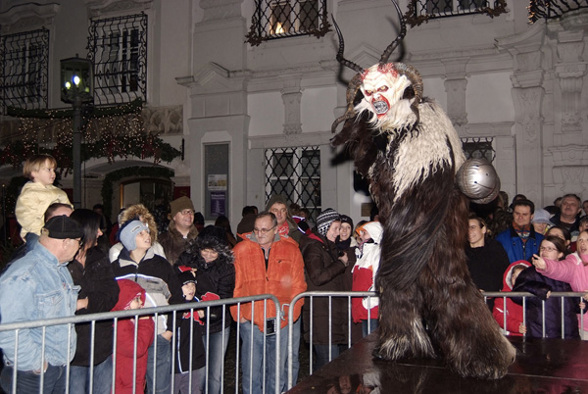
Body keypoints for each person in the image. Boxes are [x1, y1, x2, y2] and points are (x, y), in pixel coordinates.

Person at [0, 216, 83, 393]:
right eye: (79, 243)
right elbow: (8, 329)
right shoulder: (25, 274)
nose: (79, 249)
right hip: (32, 373)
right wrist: (37, 364)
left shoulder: (60, 270)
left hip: (57, 365)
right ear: (66, 242)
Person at [230, 212, 306, 394]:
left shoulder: (291, 250)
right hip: (251, 320)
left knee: (277, 371)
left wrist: (290, 314)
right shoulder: (240, 250)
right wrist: (239, 316)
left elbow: (299, 285)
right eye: (256, 229)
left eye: (265, 229)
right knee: (251, 372)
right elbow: (235, 286)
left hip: (280, 320)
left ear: (276, 229)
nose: (260, 234)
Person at [112, 219, 184, 394]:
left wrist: (169, 331)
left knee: (160, 387)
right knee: (130, 385)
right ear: (129, 239)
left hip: (157, 334)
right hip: (126, 338)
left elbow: (177, 297)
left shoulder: (161, 265)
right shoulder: (116, 269)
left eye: (147, 232)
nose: (147, 235)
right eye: (141, 233)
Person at [175, 225, 235, 394]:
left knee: (214, 373)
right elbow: (175, 278)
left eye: (213, 252)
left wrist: (210, 313)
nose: (208, 256)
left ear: (221, 252)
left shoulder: (226, 268)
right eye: (205, 250)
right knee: (198, 372)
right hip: (194, 325)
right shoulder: (188, 259)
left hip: (218, 324)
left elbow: (225, 297)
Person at [68, 209, 120, 394]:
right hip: (73, 351)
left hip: (101, 345)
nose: (100, 232)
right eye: (97, 228)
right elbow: (62, 303)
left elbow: (112, 294)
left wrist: (84, 303)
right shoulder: (63, 262)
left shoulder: (99, 257)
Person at [300, 208, 351, 370]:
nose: (338, 232)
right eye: (335, 228)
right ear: (324, 228)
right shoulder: (313, 248)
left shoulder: (327, 247)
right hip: (321, 315)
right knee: (329, 366)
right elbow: (318, 277)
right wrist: (340, 264)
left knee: (327, 366)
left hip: (330, 315)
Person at [512, 236, 579, 339]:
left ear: (560, 254)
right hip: (541, 331)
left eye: (549, 249)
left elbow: (575, 295)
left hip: (568, 330)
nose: (544, 251)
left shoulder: (566, 272)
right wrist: (537, 289)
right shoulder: (531, 272)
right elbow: (516, 293)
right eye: (542, 248)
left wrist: (580, 303)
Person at [532, 229, 588, 339]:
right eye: (580, 239)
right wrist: (546, 266)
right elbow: (561, 268)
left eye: (587, 240)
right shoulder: (574, 261)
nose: (582, 243)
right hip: (584, 326)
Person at [14, 154, 72, 245]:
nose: (53, 173)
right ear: (34, 173)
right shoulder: (30, 194)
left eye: (54, 170)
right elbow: (26, 217)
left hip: (59, 231)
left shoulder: (59, 193)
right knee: (37, 248)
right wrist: (42, 232)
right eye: (49, 170)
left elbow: (69, 209)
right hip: (36, 232)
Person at [112, 279, 154, 394]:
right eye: (136, 299)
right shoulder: (120, 323)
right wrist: (145, 323)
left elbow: (147, 342)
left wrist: (145, 322)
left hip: (135, 378)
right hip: (123, 382)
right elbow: (137, 349)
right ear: (125, 300)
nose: (141, 303)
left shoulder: (132, 320)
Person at [465, 215, 510, 309]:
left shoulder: (496, 250)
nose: (469, 231)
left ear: (483, 229)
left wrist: (489, 291)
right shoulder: (461, 252)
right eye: (466, 228)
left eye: (473, 227)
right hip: (466, 303)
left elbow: (503, 273)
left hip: (490, 303)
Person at [173, 269, 205, 394]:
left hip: (192, 358)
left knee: (193, 389)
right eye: (186, 285)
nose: (191, 288)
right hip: (175, 360)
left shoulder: (197, 303)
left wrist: (203, 313)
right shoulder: (173, 303)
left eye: (193, 285)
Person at [352, 221, 382, 337]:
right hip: (363, 310)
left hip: (372, 310)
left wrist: (368, 303)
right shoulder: (362, 254)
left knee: (370, 346)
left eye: (364, 233)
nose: (361, 236)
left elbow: (378, 281)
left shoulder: (377, 253)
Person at [492, 261, 530, 336]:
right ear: (510, 277)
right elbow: (498, 316)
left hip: (532, 336)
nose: (517, 280)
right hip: (511, 336)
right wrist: (516, 326)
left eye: (521, 277)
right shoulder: (503, 296)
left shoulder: (534, 295)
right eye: (514, 277)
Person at [159, 196, 199, 265]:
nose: (189, 215)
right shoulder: (162, 241)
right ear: (174, 217)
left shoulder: (201, 239)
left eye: (191, 212)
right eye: (184, 212)